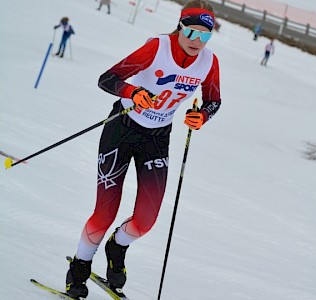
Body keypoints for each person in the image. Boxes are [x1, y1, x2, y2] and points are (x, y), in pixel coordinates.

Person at [64, 0, 221, 299]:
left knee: (145, 221)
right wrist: (133, 92)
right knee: (104, 213)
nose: (196, 42)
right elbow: (108, 79)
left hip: (157, 138)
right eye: (192, 33)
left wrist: (200, 117)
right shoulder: (157, 48)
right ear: (180, 27)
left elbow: (213, 100)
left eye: (205, 36)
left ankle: (116, 247)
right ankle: (79, 267)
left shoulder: (209, 62)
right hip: (122, 129)